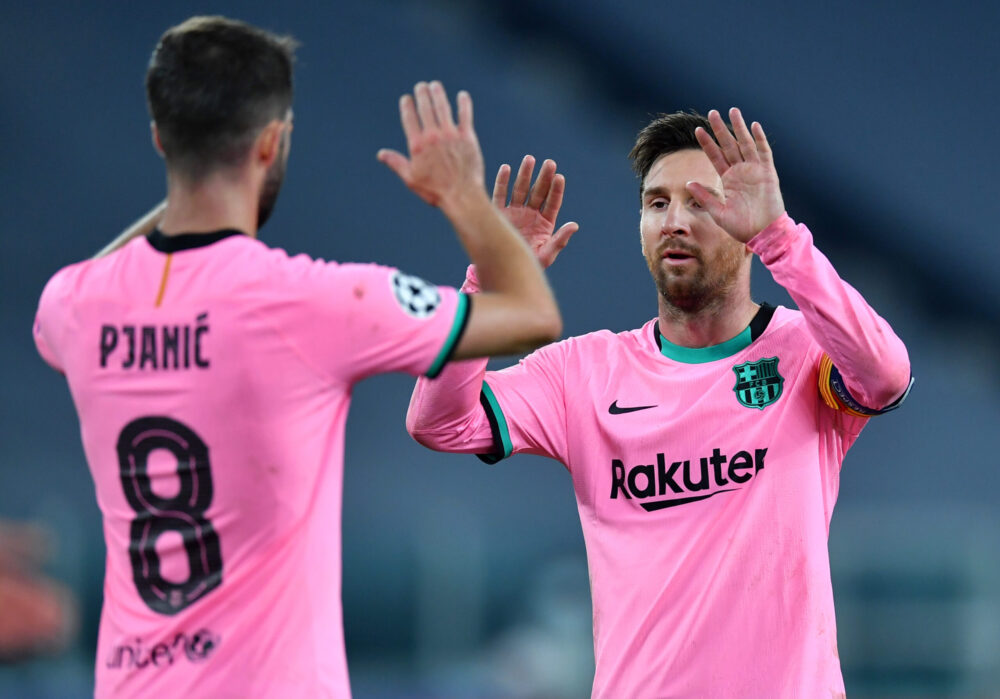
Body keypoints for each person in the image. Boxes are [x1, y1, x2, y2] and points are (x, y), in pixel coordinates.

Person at [32, 16, 561, 698]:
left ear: (160, 137)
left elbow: (73, 297)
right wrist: (462, 195)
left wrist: (188, 175)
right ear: (271, 142)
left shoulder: (75, 304)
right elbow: (532, 314)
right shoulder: (311, 299)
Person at [406, 108, 913, 697]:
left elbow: (885, 375)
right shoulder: (582, 373)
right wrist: (489, 290)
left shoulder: (806, 353)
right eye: (657, 203)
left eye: (700, 202)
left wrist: (780, 238)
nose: (674, 222)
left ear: (748, 224)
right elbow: (438, 423)